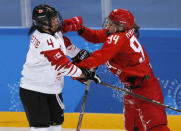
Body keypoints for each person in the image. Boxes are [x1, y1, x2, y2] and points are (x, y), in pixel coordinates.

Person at [62, 9, 170, 131]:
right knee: (133, 127)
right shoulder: (118, 33)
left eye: (111, 23)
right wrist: (81, 29)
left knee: (157, 127)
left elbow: (100, 57)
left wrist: (80, 66)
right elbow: (96, 36)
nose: (108, 25)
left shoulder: (118, 38)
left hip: (146, 88)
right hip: (132, 88)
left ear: (121, 26)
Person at [19, 4, 100, 131]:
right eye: (52, 19)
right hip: (34, 90)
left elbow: (64, 44)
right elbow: (62, 66)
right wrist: (83, 74)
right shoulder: (44, 40)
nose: (56, 20)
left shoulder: (53, 32)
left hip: (53, 88)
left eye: (55, 17)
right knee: (40, 128)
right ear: (43, 23)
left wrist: (79, 55)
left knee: (56, 126)